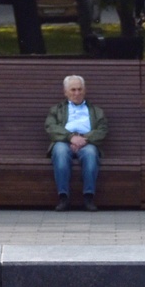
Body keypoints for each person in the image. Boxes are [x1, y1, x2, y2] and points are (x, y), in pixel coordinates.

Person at [45, 74, 105, 210]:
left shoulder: (96, 111)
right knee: (60, 152)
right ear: (65, 92)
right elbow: (51, 127)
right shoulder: (56, 110)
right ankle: (63, 197)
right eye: (73, 90)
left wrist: (84, 139)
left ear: (84, 90)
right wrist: (70, 137)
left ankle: (88, 197)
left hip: (87, 142)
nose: (77, 93)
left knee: (91, 154)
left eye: (80, 89)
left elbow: (102, 129)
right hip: (63, 141)